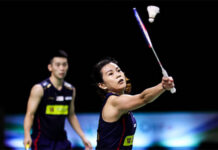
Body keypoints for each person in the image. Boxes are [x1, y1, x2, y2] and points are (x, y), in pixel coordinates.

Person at [91, 57, 175, 150]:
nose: (118, 75)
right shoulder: (114, 102)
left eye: (118, 70)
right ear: (102, 85)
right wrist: (162, 86)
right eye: (111, 74)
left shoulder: (121, 101)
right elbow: (143, 98)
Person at [23, 50, 92, 150]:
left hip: (62, 141)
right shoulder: (39, 89)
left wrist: (83, 137)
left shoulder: (70, 90)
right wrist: (26, 135)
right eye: (58, 65)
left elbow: (71, 115)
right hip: (42, 141)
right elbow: (30, 114)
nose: (62, 68)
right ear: (50, 67)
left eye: (64, 65)